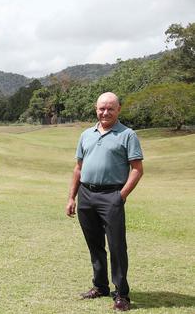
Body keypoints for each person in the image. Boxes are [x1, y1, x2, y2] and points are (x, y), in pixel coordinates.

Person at [65, 92, 144, 312]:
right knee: (95, 244)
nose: (105, 112)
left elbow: (137, 170)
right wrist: (72, 197)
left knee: (117, 246)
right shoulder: (86, 134)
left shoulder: (128, 135)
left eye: (110, 108)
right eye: (101, 108)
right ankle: (100, 285)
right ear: (96, 109)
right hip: (86, 195)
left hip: (112, 196)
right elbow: (78, 168)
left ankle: (121, 294)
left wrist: (121, 196)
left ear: (118, 109)